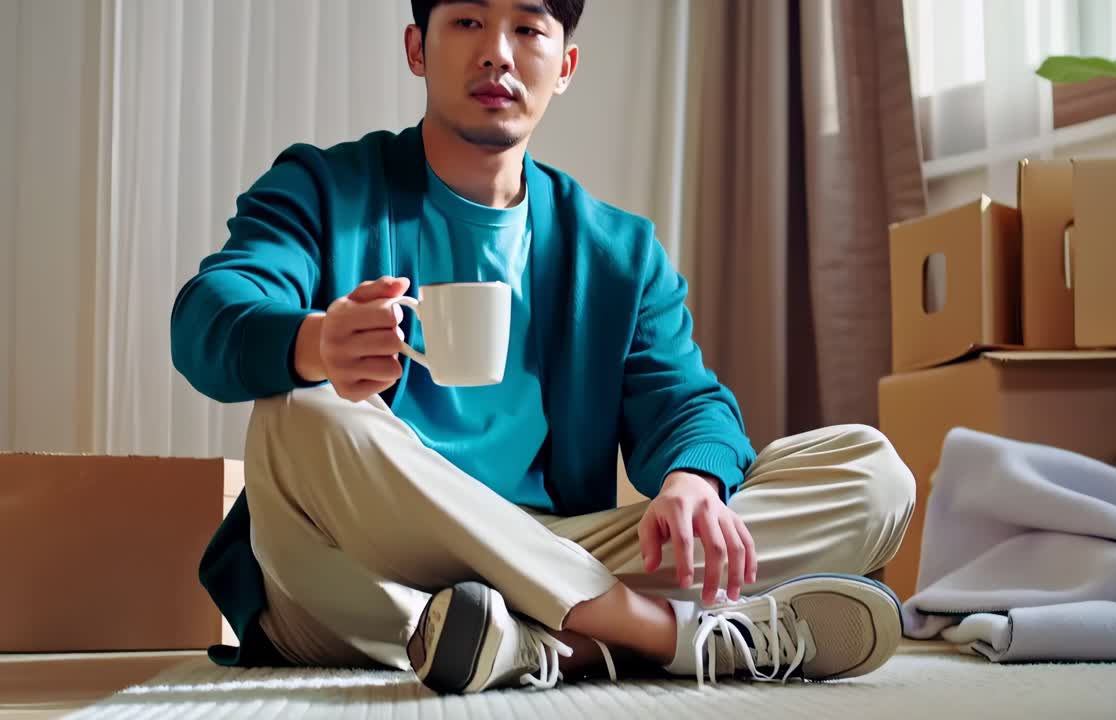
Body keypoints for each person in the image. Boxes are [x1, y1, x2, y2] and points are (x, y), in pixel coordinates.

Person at [171, 0, 916, 695]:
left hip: (548, 549)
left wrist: (692, 481)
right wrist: (315, 341)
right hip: (363, 568)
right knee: (300, 419)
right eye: (466, 21)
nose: (497, 54)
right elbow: (207, 315)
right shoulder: (323, 188)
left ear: (564, 66)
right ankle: (657, 632)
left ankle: (535, 644)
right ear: (416, 50)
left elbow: (688, 401)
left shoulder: (617, 251)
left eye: (528, 29)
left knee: (872, 474)